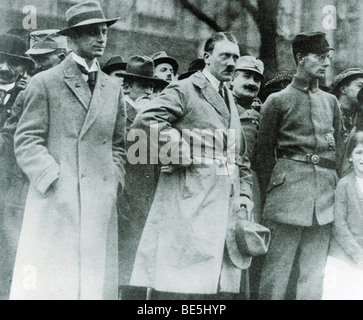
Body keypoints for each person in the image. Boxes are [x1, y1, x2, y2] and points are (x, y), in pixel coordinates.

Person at [9, 1, 126, 300]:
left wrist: (113, 179)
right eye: (91, 33)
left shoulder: (113, 89)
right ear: (72, 39)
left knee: (91, 288)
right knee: (53, 286)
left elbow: (117, 143)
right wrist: (52, 179)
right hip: (56, 204)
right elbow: (27, 139)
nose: (101, 38)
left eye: (103, 31)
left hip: (99, 204)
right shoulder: (45, 82)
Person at [129, 32, 253, 300]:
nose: (231, 63)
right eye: (225, 56)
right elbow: (146, 120)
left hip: (219, 205)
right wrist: (180, 152)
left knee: (208, 289)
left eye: (235, 57)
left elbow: (236, 154)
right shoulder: (185, 88)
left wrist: (243, 195)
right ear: (207, 58)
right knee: (177, 285)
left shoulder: (228, 96)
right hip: (187, 202)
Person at [256, 31, 344, 300]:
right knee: (277, 271)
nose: (326, 62)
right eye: (320, 57)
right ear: (300, 58)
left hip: (324, 200)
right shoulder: (277, 101)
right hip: (287, 198)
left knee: (314, 273)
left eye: (327, 57)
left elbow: (338, 149)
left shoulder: (331, 102)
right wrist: (277, 189)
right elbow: (263, 156)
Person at [0, 29, 68, 300]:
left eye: (13, 62)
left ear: (23, 68)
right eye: (0, 60)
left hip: (17, 189)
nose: (5, 68)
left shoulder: (28, 94)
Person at [117, 55, 167, 299]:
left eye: (153, 86)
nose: (149, 91)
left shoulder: (154, 118)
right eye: (143, 85)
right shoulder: (118, 112)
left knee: (139, 273)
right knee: (121, 271)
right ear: (127, 86)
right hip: (122, 202)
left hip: (147, 204)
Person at [231, 55, 264, 300]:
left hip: (249, 187)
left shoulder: (261, 115)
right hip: (218, 182)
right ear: (232, 77)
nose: (252, 82)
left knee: (247, 245)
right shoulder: (219, 106)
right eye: (246, 75)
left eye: (257, 78)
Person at [323, 130, 363, 299]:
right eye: (359, 152)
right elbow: (339, 225)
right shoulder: (344, 185)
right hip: (343, 256)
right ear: (350, 157)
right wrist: (358, 255)